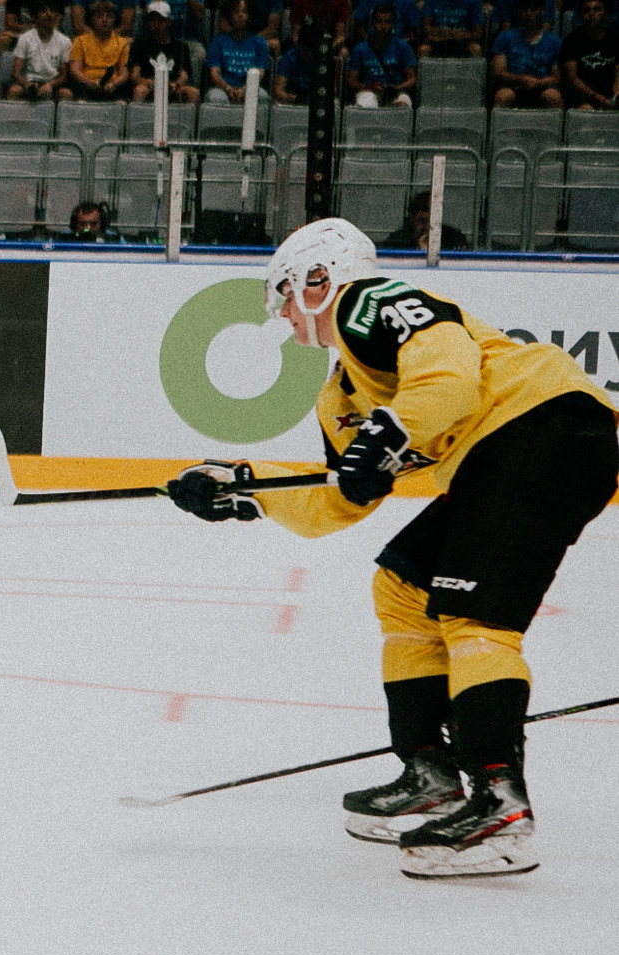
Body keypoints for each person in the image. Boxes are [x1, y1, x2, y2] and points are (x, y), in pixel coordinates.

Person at [165, 218, 618, 879]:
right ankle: (430, 770)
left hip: (544, 426)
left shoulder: (367, 302)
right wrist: (245, 488)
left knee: (475, 617)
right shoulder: (342, 390)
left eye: (285, 294)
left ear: (318, 279)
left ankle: (500, 803)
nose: (284, 314)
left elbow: (451, 377)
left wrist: (386, 434)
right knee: (403, 587)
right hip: (505, 454)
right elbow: (338, 500)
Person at [491, 0, 565, 108]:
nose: (529, 13)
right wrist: (520, 79)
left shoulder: (555, 42)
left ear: (542, 11)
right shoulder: (505, 37)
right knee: (502, 96)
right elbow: (498, 72)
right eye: (525, 9)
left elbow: (557, 77)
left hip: (542, 86)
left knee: (553, 97)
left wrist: (538, 83)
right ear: (519, 11)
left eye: (533, 9)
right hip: (513, 86)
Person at [204, 0, 274, 102]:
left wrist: (244, 89)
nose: (240, 15)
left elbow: (260, 72)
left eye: (244, 12)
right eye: (236, 11)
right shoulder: (218, 42)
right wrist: (227, 89)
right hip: (223, 88)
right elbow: (214, 73)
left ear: (250, 16)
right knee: (215, 98)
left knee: (262, 96)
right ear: (230, 15)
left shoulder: (260, 43)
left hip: (249, 87)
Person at [348, 2, 419, 106]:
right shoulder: (360, 49)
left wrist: (395, 88)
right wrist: (368, 87)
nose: (383, 26)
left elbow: (412, 78)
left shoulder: (402, 46)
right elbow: (351, 81)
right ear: (372, 24)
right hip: (368, 91)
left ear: (393, 24)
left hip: (396, 90)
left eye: (387, 22)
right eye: (379, 22)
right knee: (366, 103)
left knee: (403, 104)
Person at [131, 0, 201, 103]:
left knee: (194, 92)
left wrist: (176, 84)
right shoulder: (140, 45)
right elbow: (134, 75)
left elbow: (184, 74)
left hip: (173, 86)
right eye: (152, 20)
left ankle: (194, 119)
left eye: (160, 20)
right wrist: (144, 81)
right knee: (140, 90)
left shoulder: (180, 46)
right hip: (150, 87)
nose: (156, 24)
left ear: (168, 21)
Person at [65, 0, 134, 98]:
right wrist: (90, 83)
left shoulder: (122, 43)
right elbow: (75, 70)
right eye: (99, 16)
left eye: (109, 16)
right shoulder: (79, 41)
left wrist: (114, 84)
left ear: (114, 20)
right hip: (86, 85)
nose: (104, 20)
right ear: (92, 19)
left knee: (123, 96)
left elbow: (124, 73)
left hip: (112, 86)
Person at [5, 0, 73, 98]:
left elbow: (63, 76)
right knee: (14, 91)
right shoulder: (25, 38)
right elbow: (16, 73)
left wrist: (49, 85)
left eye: (52, 11)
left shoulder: (65, 41)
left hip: (52, 83)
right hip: (29, 82)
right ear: (35, 16)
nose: (49, 14)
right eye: (44, 11)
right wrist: (28, 84)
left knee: (66, 94)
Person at [561, 0, 619, 108]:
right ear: (580, 15)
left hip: (609, 92)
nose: (591, 14)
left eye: (597, 9)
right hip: (582, 94)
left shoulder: (614, 39)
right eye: (586, 10)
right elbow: (572, 78)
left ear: (605, 13)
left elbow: (618, 70)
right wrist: (594, 96)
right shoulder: (571, 41)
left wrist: (616, 94)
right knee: (586, 109)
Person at [378, 190, 469, 249]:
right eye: (422, 221)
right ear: (412, 219)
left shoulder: (454, 237)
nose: (427, 226)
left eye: (431, 221)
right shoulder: (397, 240)